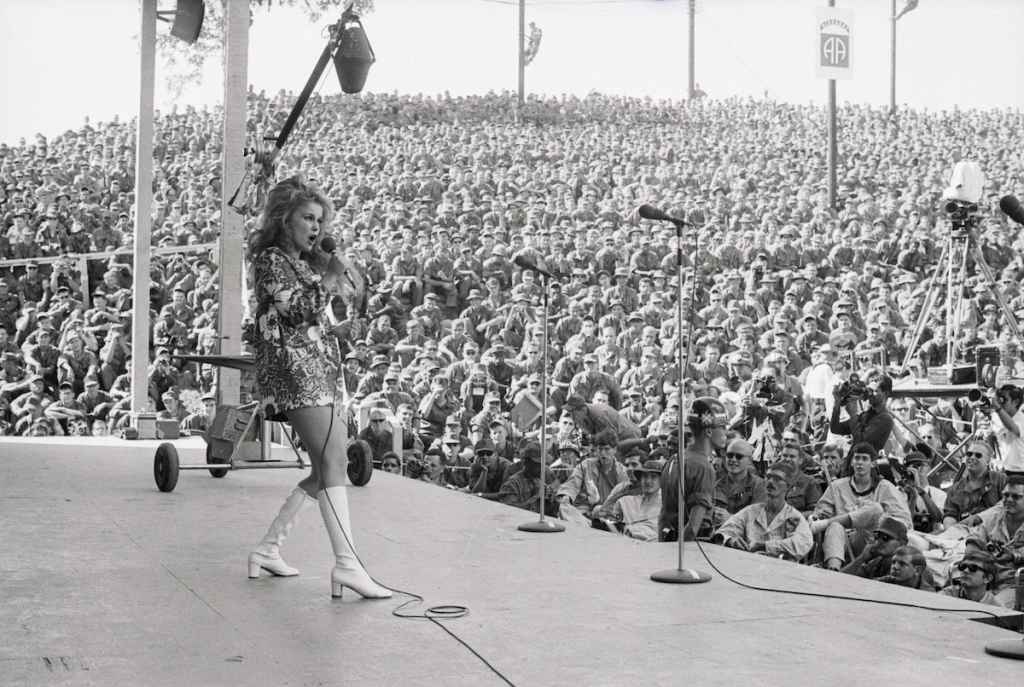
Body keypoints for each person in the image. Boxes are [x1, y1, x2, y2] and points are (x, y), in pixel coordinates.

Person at [246, 176, 389, 600]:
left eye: (319, 220)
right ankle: (347, 566)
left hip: (320, 368)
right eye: (307, 218)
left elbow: (316, 317)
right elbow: (299, 312)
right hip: (294, 370)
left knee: (330, 464)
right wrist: (329, 277)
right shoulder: (270, 260)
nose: (315, 227)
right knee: (331, 462)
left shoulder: (304, 263)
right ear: (283, 218)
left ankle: (267, 549)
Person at [809, 443, 912, 571]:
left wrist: (876, 518)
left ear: (873, 463)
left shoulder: (886, 487)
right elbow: (820, 512)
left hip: (871, 539)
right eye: (856, 458)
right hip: (842, 541)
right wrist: (817, 517)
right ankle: (833, 570)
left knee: (876, 509)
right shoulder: (836, 486)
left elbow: (904, 522)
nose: (859, 463)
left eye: (864, 459)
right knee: (835, 526)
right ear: (851, 462)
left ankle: (830, 524)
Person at [713, 461, 813, 560]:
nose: (770, 482)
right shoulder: (751, 511)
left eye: (777, 479)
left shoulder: (794, 517)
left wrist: (765, 546)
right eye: (768, 477)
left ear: (789, 486)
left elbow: (803, 543)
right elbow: (724, 531)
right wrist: (731, 540)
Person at [658, 397, 723, 542]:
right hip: (692, 547)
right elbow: (693, 526)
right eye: (722, 428)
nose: (725, 433)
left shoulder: (674, 459)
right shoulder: (704, 467)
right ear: (709, 431)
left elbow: (663, 515)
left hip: (669, 540)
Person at [941, 439, 1007, 529]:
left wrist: (980, 517)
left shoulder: (1000, 479)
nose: (972, 457)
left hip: (995, 531)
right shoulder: (955, 488)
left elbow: (1008, 506)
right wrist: (951, 531)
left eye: (978, 455)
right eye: (969, 454)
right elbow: (950, 515)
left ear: (987, 461)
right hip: (964, 535)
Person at [593, 459, 663, 541]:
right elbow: (607, 517)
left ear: (661, 480)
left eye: (653, 477)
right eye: (645, 476)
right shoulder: (626, 501)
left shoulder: (666, 504)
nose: (648, 481)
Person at [829, 373, 894, 453]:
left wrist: (853, 414)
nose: (870, 394)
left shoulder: (885, 419)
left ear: (886, 394)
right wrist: (837, 403)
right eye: (870, 390)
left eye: (875, 391)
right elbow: (835, 428)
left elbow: (861, 443)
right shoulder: (865, 415)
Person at [988, 384, 1024, 473]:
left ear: (1015, 402)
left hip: (1019, 471)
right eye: (999, 399)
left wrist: (998, 408)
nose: (1000, 402)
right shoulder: (997, 418)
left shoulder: (1021, 419)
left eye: (1004, 399)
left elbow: (1013, 428)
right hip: (1003, 470)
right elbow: (992, 437)